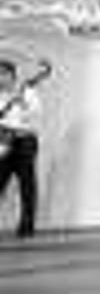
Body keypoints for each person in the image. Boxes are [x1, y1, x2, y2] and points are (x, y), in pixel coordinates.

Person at [0, 59, 45, 239]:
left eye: (4, 74)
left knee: (27, 185)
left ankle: (26, 227)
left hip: (25, 140)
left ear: (13, 75)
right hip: (3, 140)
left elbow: (36, 115)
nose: (1, 78)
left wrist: (22, 102)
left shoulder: (28, 91)